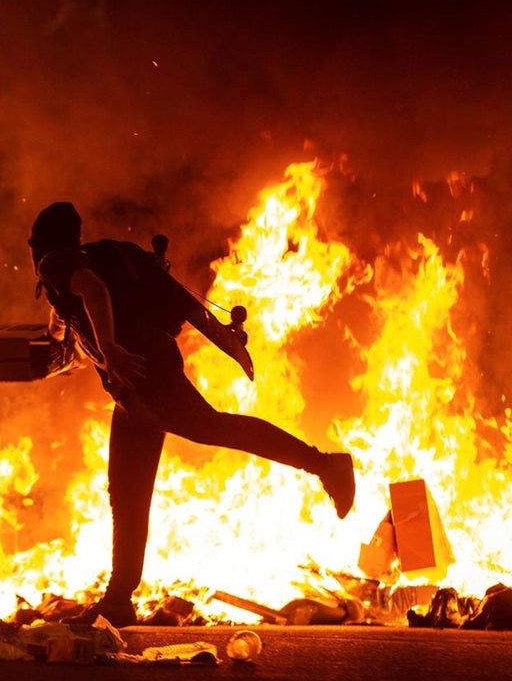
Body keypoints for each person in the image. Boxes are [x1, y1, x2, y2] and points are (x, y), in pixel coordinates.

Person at [28, 201, 355, 628]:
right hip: (136, 387)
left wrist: (109, 349)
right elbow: (171, 301)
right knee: (126, 488)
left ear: (39, 245)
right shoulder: (87, 261)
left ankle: (325, 464)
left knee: (209, 427)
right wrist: (224, 339)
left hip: (145, 377)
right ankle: (119, 599)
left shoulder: (58, 264)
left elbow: (92, 291)